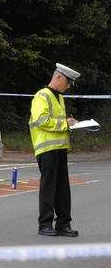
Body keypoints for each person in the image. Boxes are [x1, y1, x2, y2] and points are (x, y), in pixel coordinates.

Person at [29, 63, 81, 237]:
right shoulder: (42, 95)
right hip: (46, 149)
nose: (68, 86)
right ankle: (44, 225)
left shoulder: (59, 97)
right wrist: (65, 123)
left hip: (60, 149)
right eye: (67, 82)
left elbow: (56, 121)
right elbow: (40, 120)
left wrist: (69, 123)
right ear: (58, 77)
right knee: (49, 188)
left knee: (63, 189)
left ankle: (63, 225)